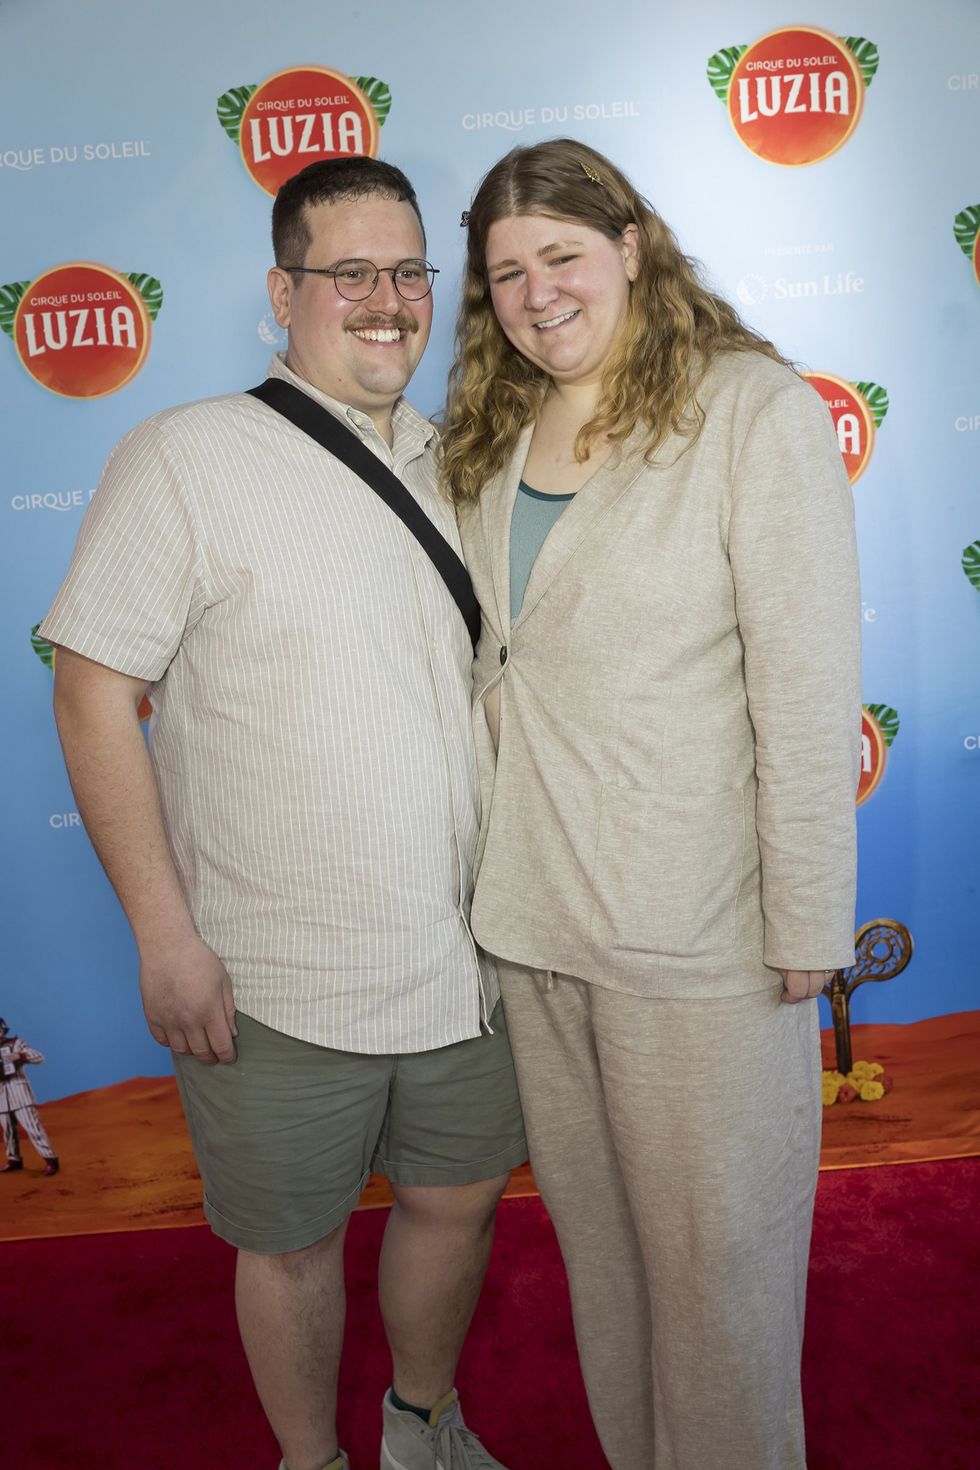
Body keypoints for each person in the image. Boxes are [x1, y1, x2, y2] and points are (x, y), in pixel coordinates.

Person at [40, 156, 526, 1470]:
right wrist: (164, 934)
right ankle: (309, 1460)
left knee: (456, 1196)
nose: (386, 299)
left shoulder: (467, 462)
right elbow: (91, 690)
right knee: (294, 1237)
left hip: (470, 953)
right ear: (283, 292)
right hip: (274, 968)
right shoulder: (185, 455)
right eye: (349, 272)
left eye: (410, 270)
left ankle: (421, 1422)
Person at [440, 138, 861, 1470]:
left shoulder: (753, 410)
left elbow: (804, 688)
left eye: (561, 255)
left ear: (630, 244)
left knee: (718, 1286)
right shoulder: (490, 431)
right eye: (506, 272)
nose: (537, 293)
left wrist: (810, 919)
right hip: (536, 921)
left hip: (700, 935)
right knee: (610, 1272)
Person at [0, 1017, 59, 1175]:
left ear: (3, 1030)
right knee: (7, 1131)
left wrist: (20, 1056)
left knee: (33, 1128)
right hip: (1, 1097)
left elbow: (39, 1057)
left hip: (20, 1093)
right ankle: (14, 1160)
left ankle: (50, 1159)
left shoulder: (16, 1044)